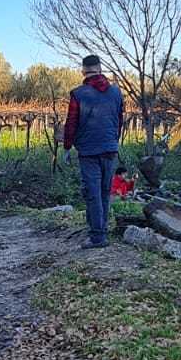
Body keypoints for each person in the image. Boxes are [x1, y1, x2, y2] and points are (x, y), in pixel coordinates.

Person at [62, 54, 125, 249]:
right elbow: (119, 121)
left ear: (83, 71)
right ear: (100, 69)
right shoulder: (116, 93)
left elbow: (71, 123)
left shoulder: (78, 94)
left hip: (89, 151)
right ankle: (100, 228)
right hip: (110, 149)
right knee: (105, 192)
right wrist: (113, 142)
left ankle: (97, 237)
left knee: (93, 192)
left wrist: (66, 146)